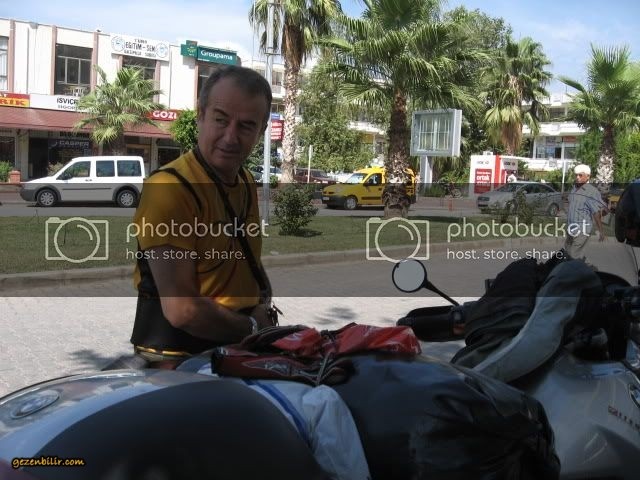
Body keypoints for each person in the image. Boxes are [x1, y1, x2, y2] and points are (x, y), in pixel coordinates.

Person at [130, 65, 276, 367]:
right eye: (221, 120)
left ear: (261, 131)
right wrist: (253, 327)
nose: (230, 137)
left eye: (246, 126)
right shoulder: (169, 189)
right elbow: (182, 310)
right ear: (200, 116)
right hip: (180, 361)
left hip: (234, 350)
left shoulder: (245, 181)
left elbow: (242, 254)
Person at [564, 164, 608, 260]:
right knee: (567, 252)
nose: (577, 177)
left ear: (588, 176)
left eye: (580, 175)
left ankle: (578, 267)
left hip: (582, 230)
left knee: (573, 255)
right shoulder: (574, 188)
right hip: (571, 228)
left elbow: (596, 213)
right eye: (576, 175)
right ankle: (582, 266)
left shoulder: (591, 192)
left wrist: (601, 231)